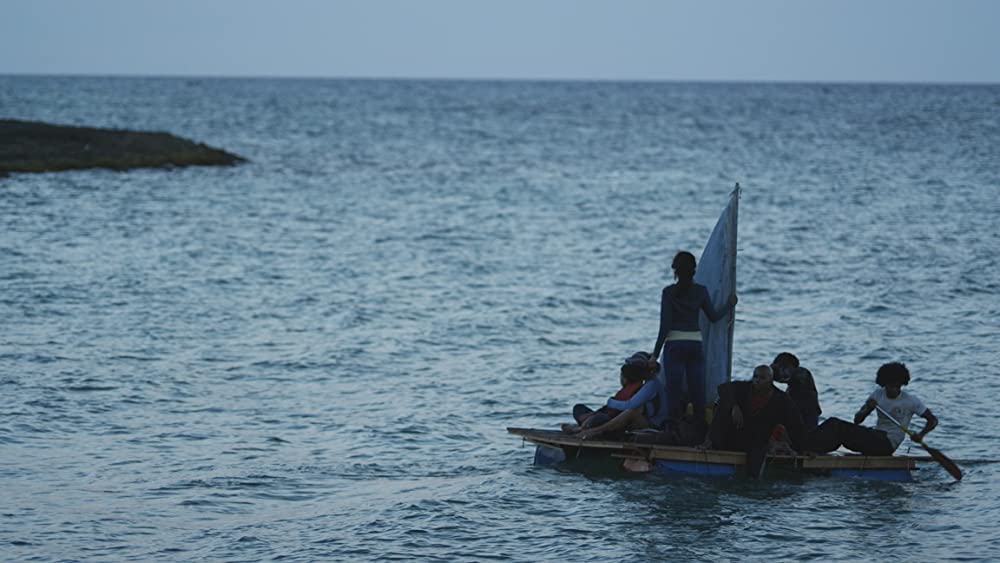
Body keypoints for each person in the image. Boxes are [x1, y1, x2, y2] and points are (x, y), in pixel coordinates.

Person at [651, 251, 737, 422]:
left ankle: (673, 431)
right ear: (694, 270)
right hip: (695, 344)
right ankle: (699, 430)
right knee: (698, 391)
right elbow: (713, 317)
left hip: (674, 345)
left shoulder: (669, 292)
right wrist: (729, 305)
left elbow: (665, 326)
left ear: (675, 270)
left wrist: (655, 354)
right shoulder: (701, 291)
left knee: (673, 393)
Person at [698, 365, 807, 478]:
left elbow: (795, 423)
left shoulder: (781, 398)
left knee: (754, 468)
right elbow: (723, 388)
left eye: (762, 378)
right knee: (723, 403)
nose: (757, 381)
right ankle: (710, 442)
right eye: (755, 377)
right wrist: (734, 406)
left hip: (756, 441)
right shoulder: (744, 388)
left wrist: (801, 448)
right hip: (733, 435)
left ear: (770, 379)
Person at [809, 362, 938, 456]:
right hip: (876, 437)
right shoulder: (877, 394)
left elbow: (932, 421)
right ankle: (813, 449)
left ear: (902, 384)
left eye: (897, 386)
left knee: (836, 426)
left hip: (887, 444)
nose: (894, 390)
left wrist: (921, 434)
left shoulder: (911, 401)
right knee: (833, 424)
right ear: (884, 384)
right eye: (890, 386)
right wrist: (866, 409)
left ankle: (811, 449)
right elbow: (857, 420)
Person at [571, 352, 668, 440]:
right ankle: (587, 428)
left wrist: (610, 402)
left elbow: (629, 405)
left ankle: (592, 431)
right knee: (579, 409)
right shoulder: (645, 383)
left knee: (631, 412)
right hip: (627, 419)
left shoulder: (652, 384)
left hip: (654, 426)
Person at [560, 357, 646, 434]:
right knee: (578, 408)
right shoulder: (625, 389)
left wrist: (596, 414)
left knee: (597, 419)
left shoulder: (637, 391)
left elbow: (620, 412)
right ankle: (583, 425)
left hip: (612, 420)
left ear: (626, 378)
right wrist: (593, 413)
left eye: (621, 377)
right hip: (604, 414)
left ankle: (579, 428)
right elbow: (606, 408)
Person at [771, 352, 822, 431]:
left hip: (808, 416)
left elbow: (785, 376)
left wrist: (770, 373)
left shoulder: (803, 373)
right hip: (799, 415)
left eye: (781, 367)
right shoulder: (792, 386)